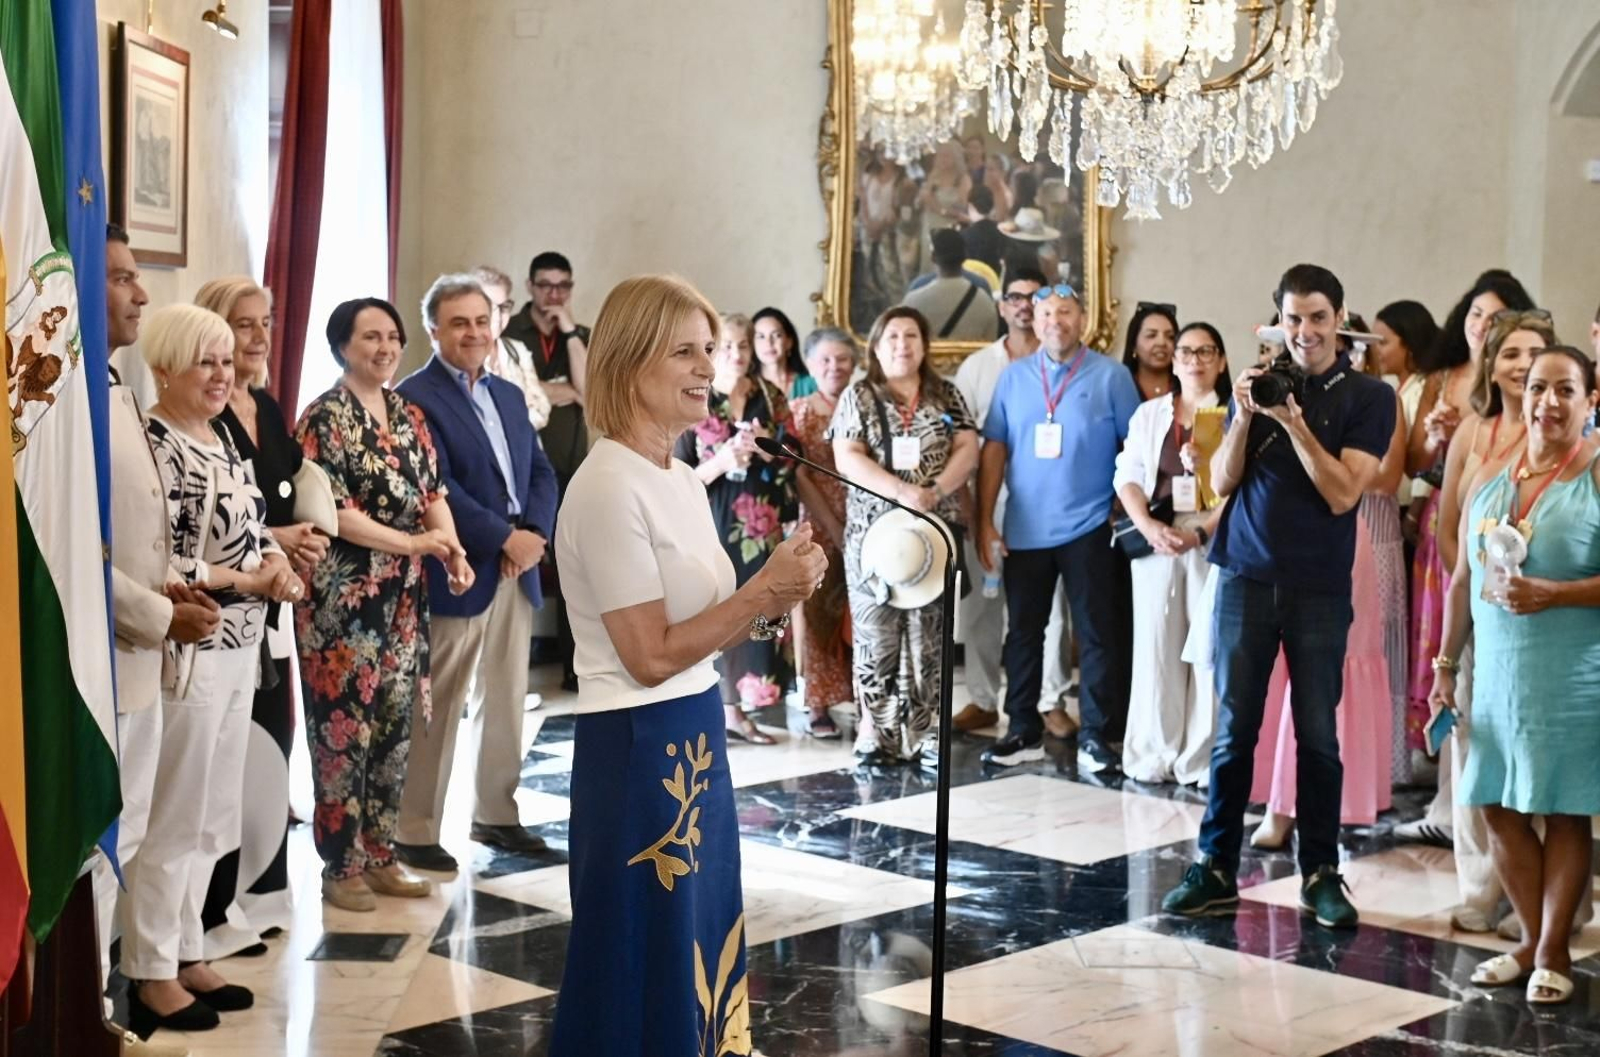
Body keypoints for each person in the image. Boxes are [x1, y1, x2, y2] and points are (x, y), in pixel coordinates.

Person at [547, 274, 826, 1054]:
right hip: (636, 743)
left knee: (698, 933)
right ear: (630, 363)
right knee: (639, 949)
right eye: (685, 351)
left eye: (710, 348)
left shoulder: (673, 475)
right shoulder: (606, 484)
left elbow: (705, 621)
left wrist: (781, 587)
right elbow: (647, 654)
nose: (709, 366)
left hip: (693, 729)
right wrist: (764, 589)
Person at [1161, 264, 1395, 930]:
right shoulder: (1255, 388)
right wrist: (1245, 415)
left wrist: (1292, 420)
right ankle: (1213, 866)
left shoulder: (1370, 397)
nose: (1305, 331)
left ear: (1339, 318)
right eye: (1292, 318)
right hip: (1243, 574)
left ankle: (1321, 870)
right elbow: (1220, 480)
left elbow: (1344, 492)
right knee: (1234, 730)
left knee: (1319, 734)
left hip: (1319, 584)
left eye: (1317, 317)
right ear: (1277, 322)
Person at [123, 305, 300, 1037]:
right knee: (175, 812)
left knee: (213, 813)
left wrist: (279, 563)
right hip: (187, 648)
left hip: (239, 647)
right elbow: (157, 559)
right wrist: (245, 580)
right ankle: (150, 967)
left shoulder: (222, 435)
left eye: (227, 362)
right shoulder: (155, 442)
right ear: (164, 367)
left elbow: (253, 531)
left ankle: (190, 945)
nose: (222, 375)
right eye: (206, 362)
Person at [1431, 346, 1600, 1006]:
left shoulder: (1593, 472)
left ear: (1590, 401)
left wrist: (1554, 594)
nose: (1548, 401)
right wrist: (1446, 665)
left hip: (1570, 673)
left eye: (1565, 389)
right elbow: (1462, 580)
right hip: (1496, 672)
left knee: (1561, 811)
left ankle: (1553, 950)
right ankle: (1530, 941)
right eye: (1538, 388)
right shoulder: (1492, 473)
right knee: (1493, 804)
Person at [295, 297, 471, 910]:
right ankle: (340, 866)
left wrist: (449, 549)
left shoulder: (408, 413)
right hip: (344, 603)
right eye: (371, 336)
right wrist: (414, 543)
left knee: (394, 729)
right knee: (344, 732)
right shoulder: (324, 416)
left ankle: (380, 853)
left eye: (393, 336)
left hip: (402, 598)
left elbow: (433, 492)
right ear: (343, 345)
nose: (386, 347)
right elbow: (335, 514)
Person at [96, 226, 219, 1057]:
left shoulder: (111, 389)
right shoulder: (69, 395)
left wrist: (167, 589)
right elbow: (62, 553)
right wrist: (153, 611)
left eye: (138, 276)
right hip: (104, 655)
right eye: (122, 278)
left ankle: (99, 996)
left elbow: (136, 532)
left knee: (134, 832)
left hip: (145, 650)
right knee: (107, 841)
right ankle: (95, 1001)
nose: (142, 293)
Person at [394, 275, 560, 871]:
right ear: (433, 329)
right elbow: (436, 488)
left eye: (481, 321)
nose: (473, 332)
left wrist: (535, 536)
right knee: (441, 701)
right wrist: (504, 536)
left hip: (518, 565)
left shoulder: (510, 396)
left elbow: (542, 474)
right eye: (458, 322)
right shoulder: (414, 397)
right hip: (458, 568)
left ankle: (496, 813)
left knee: (507, 698)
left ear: (496, 328)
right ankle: (414, 828)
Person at [192, 277, 328, 958]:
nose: (257, 336)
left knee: (269, 749)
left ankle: (259, 894)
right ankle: (211, 908)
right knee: (223, 759)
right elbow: (222, 516)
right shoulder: (203, 412)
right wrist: (283, 536)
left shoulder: (267, 408)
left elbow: (290, 482)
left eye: (265, 322)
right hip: (222, 605)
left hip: (273, 603)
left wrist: (306, 531)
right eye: (242, 324)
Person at [1248, 321, 1408, 846]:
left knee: (1329, 681)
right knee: (1280, 677)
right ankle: (1278, 800)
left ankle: (1323, 806)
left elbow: (1373, 479)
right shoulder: (1285, 395)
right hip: (1280, 547)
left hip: (1344, 544)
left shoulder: (1374, 402)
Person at [1428, 310, 1557, 933]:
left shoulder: (1566, 439)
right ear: (1492, 362)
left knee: (1538, 758)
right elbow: (1448, 524)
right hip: (1479, 615)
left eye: (1535, 355)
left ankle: (1542, 898)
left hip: (1546, 621)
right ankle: (1480, 887)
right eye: (1510, 354)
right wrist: (1477, 597)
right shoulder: (1472, 433)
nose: (1521, 365)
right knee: (1475, 752)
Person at [977, 284, 1139, 774]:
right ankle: (1021, 729)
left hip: (1091, 526)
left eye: (1065, 312)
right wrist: (985, 521)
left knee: (1096, 635)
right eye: (1046, 312)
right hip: (1025, 528)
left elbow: (1136, 449)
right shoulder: (1014, 379)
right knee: (1024, 634)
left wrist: (1121, 505)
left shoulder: (1112, 377)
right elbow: (994, 452)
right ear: (1034, 319)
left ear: (1082, 319)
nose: (1055, 321)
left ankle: (1095, 735)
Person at [1402, 271, 1534, 829]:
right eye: (1476, 315)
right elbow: (1426, 479)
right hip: (1457, 555)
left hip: (1526, 578)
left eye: (1496, 317)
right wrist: (1473, 581)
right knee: (1452, 666)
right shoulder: (1451, 395)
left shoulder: (1548, 418)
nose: (1482, 326)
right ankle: (1449, 805)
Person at [831, 306, 978, 767]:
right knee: (876, 638)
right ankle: (877, 731)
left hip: (932, 536)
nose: (902, 344)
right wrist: (901, 491)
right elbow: (846, 455)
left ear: (924, 344)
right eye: (891, 336)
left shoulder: (946, 395)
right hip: (875, 540)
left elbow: (969, 447)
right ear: (875, 346)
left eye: (911, 335)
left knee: (930, 638)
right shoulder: (858, 395)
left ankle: (927, 731)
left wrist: (934, 491)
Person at [951, 266, 1075, 737]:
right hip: (986, 502)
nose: (1025, 306)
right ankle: (983, 698)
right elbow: (961, 444)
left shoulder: (1068, 364)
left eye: (1035, 298)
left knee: (1051, 609)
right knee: (982, 607)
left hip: (1047, 508)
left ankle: (1050, 700)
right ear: (1002, 307)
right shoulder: (977, 367)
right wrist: (972, 514)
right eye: (1016, 298)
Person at [674, 312, 801, 745]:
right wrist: (723, 461)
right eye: (724, 346)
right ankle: (722, 709)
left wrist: (770, 454)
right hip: (711, 521)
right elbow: (675, 474)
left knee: (761, 606)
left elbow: (793, 456)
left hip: (760, 524)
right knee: (718, 609)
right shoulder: (694, 398)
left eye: (742, 345)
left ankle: (744, 706)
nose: (736, 354)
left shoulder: (770, 394)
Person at [1115, 322, 1231, 785]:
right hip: (1157, 535)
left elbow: (1239, 486)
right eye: (1186, 351)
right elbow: (1127, 473)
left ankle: (1201, 757)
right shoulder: (1150, 414)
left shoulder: (1235, 414)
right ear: (1174, 360)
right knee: (1157, 647)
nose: (1195, 359)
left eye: (1206, 351)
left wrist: (1201, 532)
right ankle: (1154, 752)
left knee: (1206, 650)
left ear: (1221, 361)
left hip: (1211, 537)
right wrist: (1147, 526)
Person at [501, 250, 589, 692]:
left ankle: (576, 665)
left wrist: (571, 333)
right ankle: (512, 670)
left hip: (574, 469)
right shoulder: (509, 333)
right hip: (525, 470)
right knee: (523, 559)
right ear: (530, 286)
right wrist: (558, 389)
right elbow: (518, 393)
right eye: (545, 285)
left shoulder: (581, 334)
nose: (554, 294)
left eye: (563, 286)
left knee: (577, 567)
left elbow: (590, 392)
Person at [789, 328, 859, 737]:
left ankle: (861, 697)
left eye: (843, 360)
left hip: (864, 521)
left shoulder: (864, 404)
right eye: (825, 360)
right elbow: (798, 474)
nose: (835, 367)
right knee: (818, 612)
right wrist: (832, 524)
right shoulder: (799, 411)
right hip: (817, 521)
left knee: (859, 612)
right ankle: (818, 705)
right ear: (812, 365)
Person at [474, 264, 553, 431]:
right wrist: (523, 406)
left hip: (522, 452)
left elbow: (542, 410)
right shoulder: (466, 356)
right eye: (488, 306)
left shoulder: (517, 350)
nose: (497, 316)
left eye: (504, 307)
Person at [902, 228, 1000, 343]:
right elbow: (991, 343)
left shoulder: (914, 296)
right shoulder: (983, 295)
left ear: (933, 257)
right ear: (964, 257)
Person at [751, 306, 817, 400]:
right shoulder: (747, 388)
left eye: (777, 335)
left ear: (789, 342)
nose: (769, 343)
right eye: (761, 337)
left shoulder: (810, 384)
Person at [1121, 301, 1179, 402]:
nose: (1162, 343)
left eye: (1170, 337)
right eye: (1151, 335)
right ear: (1134, 345)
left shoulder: (1186, 387)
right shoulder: (1120, 386)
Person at [961, 185, 1005, 275]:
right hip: (996, 283)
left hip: (972, 283)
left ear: (970, 206)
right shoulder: (1002, 232)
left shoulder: (963, 236)